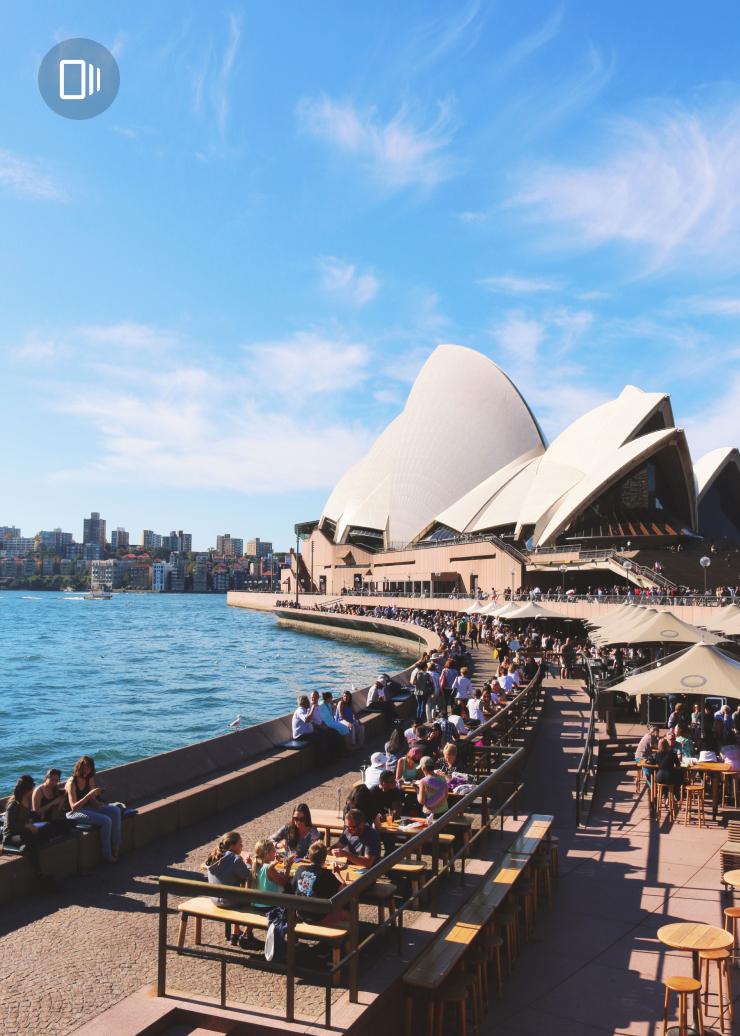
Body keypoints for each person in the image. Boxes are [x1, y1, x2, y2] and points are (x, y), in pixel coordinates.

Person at [2, 775, 60, 883]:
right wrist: (27, 826)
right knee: (30, 837)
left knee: (47, 827)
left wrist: (38, 813)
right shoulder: (13, 804)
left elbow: (27, 816)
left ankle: (31, 846)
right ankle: (39, 874)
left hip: (23, 832)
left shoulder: (26, 800)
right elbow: (11, 827)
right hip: (11, 836)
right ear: (28, 788)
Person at [203, 831, 255, 947]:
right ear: (232, 846)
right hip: (229, 901)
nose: (242, 846)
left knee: (234, 890)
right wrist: (249, 864)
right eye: (240, 844)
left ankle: (234, 933)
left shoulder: (213, 856)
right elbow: (248, 876)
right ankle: (247, 934)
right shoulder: (235, 859)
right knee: (253, 900)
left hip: (215, 899)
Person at [65, 755, 121, 863]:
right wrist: (89, 794)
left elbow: (93, 801)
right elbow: (74, 807)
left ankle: (116, 847)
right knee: (106, 820)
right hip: (73, 813)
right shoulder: (72, 782)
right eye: (85, 767)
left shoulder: (89, 779)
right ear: (79, 767)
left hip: (87, 808)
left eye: (89, 768)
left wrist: (101, 805)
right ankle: (107, 855)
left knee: (115, 811)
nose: (87, 770)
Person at [292, 841, 349, 925]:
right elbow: (343, 889)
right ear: (325, 858)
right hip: (317, 916)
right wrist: (337, 873)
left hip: (301, 913)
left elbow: (293, 887)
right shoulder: (325, 874)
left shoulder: (300, 869)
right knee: (348, 912)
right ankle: (353, 936)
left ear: (309, 856)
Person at [253, 838, 293, 909]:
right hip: (268, 905)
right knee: (289, 888)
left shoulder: (256, 864)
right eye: (273, 850)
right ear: (267, 854)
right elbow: (283, 882)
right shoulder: (269, 868)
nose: (276, 852)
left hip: (257, 904)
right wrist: (288, 867)